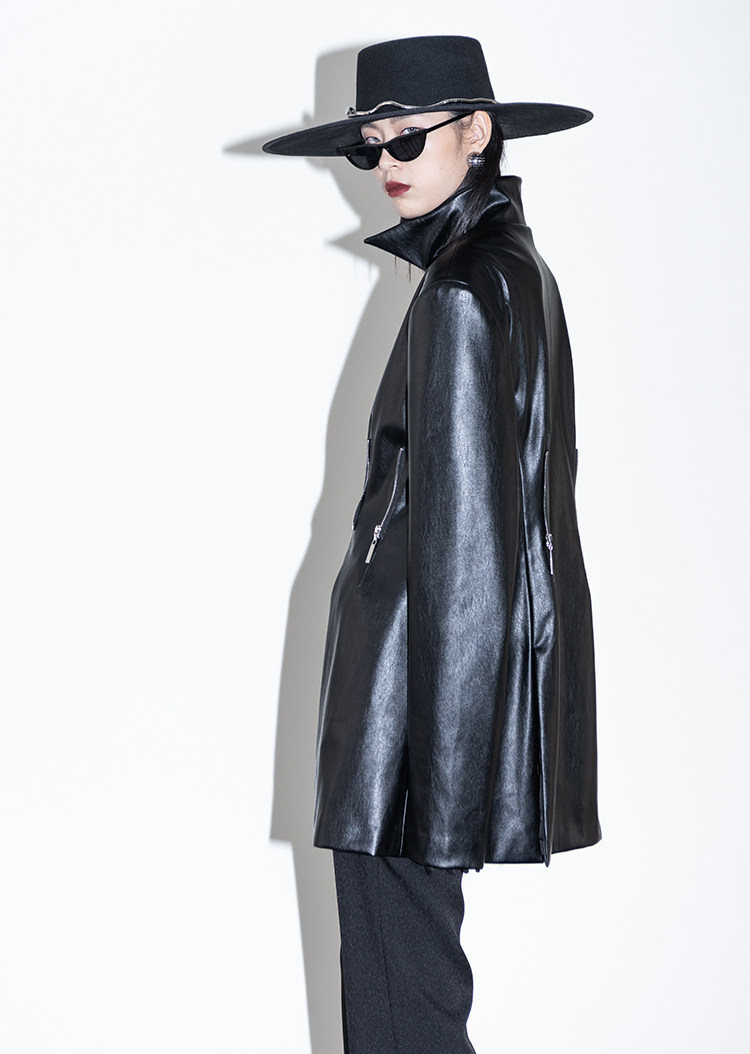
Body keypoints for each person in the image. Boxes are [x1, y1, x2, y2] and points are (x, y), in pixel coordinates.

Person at [264, 35, 601, 1054]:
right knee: (416, 994)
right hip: (430, 718)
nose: (386, 161)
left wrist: (438, 785)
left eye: (407, 136)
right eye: (369, 145)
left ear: (478, 131)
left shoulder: (458, 291)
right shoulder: (516, 272)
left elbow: (463, 550)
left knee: (400, 1007)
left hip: (405, 727)